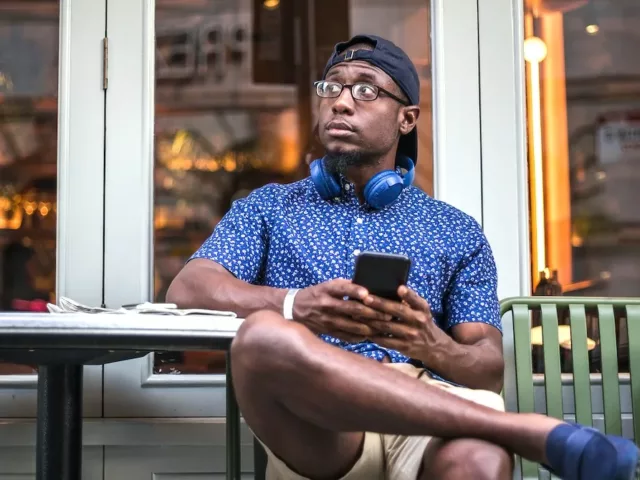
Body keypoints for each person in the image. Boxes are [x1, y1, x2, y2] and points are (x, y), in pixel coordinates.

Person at [166, 35, 638, 480]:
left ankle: (504, 434)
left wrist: (430, 344)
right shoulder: (268, 207)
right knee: (264, 337)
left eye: (367, 89)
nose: (342, 100)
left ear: (407, 119)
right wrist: (296, 306)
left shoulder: (454, 230)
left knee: (478, 459)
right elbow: (187, 288)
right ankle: (526, 431)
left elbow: (488, 368)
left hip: (426, 409)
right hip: (321, 421)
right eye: (332, 86)